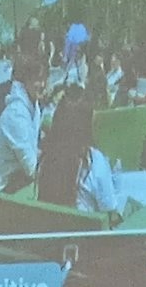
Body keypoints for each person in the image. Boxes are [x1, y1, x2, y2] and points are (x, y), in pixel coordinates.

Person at [36, 87, 118, 216]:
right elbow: (109, 209)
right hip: (86, 232)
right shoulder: (93, 162)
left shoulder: (45, 158)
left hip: (51, 228)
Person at [0, 55, 45, 194]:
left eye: (45, 79)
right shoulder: (15, 115)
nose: (43, 84)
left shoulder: (34, 107)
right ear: (25, 81)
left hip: (24, 180)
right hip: (7, 189)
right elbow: (31, 168)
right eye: (38, 80)